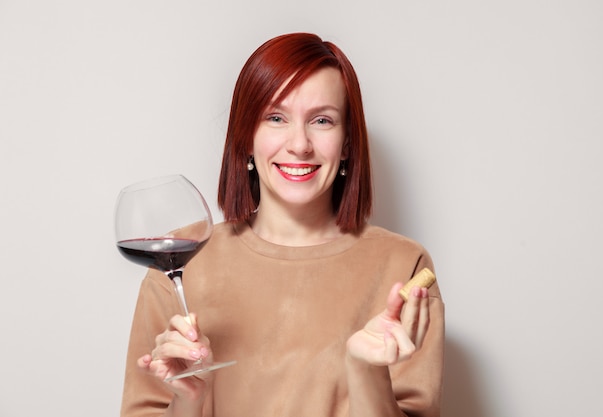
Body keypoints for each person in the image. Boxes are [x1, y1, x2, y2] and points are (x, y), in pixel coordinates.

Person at [120, 32, 444, 417]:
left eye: (322, 120)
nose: (300, 144)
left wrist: (365, 372)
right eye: (276, 118)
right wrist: (189, 399)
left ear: (346, 144)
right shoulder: (178, 264)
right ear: (246, 137)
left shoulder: (403, 266)